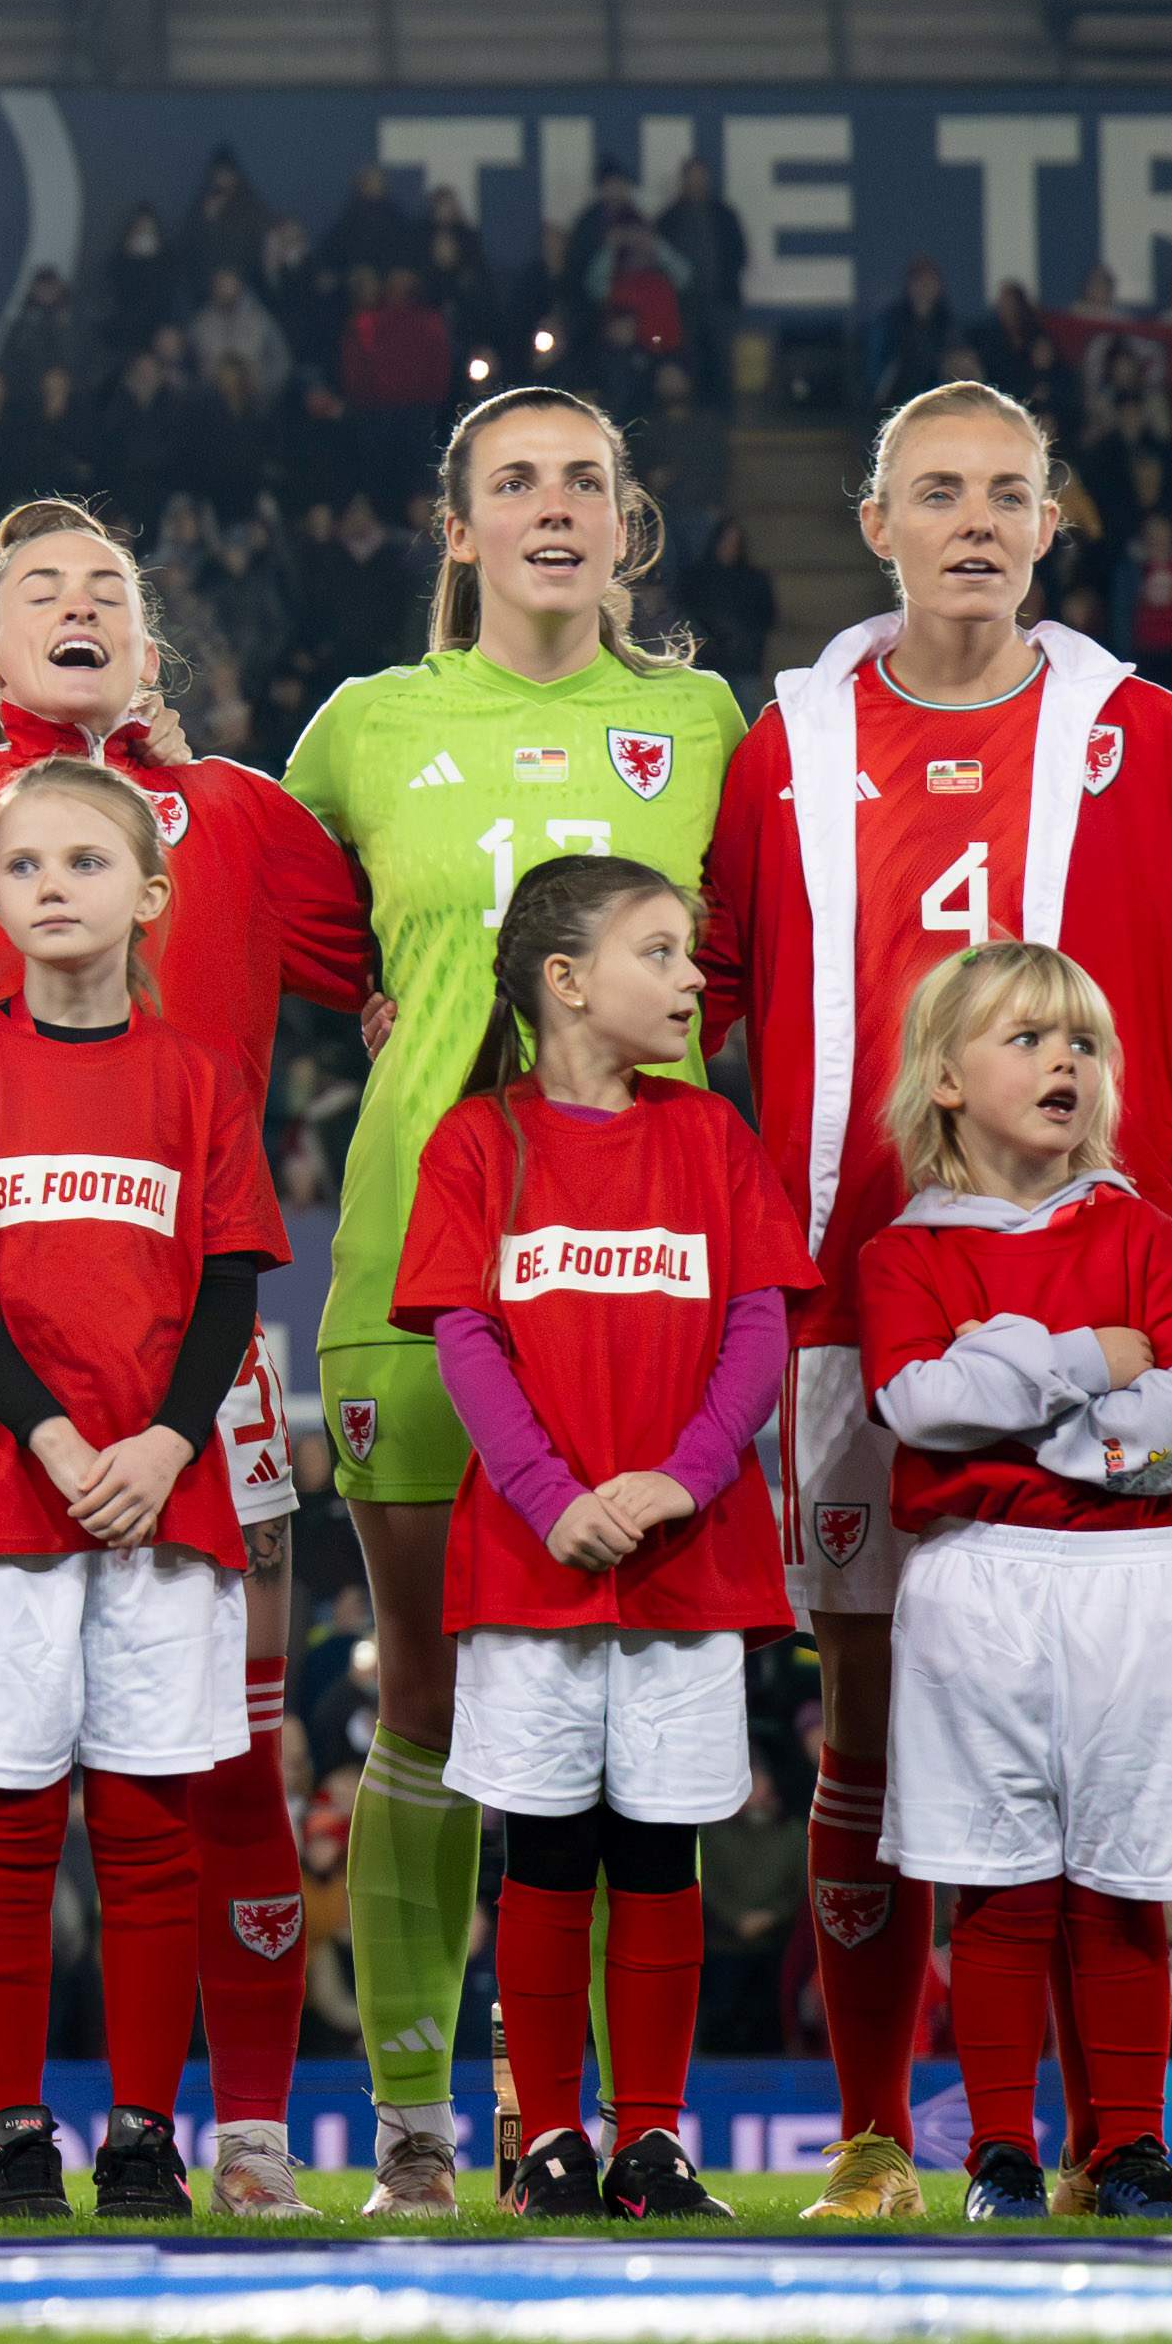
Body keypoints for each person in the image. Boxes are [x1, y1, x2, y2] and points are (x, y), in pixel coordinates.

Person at [698, 380, 1172, 2222]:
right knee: (871, 1724)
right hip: (848, 1306)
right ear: (874, 522)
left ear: (1053, 524)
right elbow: (701, 982)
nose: (974, 519)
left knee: (1086, 1729)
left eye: (1008, 493)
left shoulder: (1158, 741)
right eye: (938, 491)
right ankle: (885, 2128)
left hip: (1104, 1275)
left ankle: (1104, 2132)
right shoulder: (782, 745)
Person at [0, 501, 374, 2214]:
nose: (76, 603)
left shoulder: (248, 817)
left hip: (198, 1383)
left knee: (220, 1763)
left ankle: (236, 2130)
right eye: (35, 586)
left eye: (109, 587)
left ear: (153, 648)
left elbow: (403, 965)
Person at [278, 386, 746, 2214]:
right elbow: (264, 905)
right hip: (420, 1267)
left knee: (637, 1707)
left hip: (643, 1287)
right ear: (455, 528)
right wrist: (393, 1008)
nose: (554, 505)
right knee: (430, 1699)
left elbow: (758, 956)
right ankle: (416, 2130)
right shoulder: (365, 728)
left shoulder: (699, 722)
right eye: (514, 480)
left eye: (587, 480)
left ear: (627, 526)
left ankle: (628, 2132)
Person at [0, 753, 287, 2224]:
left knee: (152, 1821)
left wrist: (168, 1443)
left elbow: (228, 1284)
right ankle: (10, 2133)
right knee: (3, 1818)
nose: (52, 886)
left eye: (84, 863)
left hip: (164, 1493)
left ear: (150, 895)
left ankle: (139, 2133)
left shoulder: (198, 1079)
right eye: (24, 866)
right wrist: (50, 1439)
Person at [389, 856, 809, 2220]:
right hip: (533, 1560)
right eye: (661, 951)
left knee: (657, 1852)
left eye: (690, 953)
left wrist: (681, 1479)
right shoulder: (473, 1144)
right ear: (565, 980)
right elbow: (464, 1337)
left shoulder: (711, 1135)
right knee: (547, 1850)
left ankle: (650, 2139)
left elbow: (758, 1327)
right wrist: (548, 1494)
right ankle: (552, 2140)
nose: (693, 979)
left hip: (682, 1562)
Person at [858, 939, 1172, 2222]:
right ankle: (1000, 2158)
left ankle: (1124, 2149)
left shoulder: (1138, 1226)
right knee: (1001, 1877)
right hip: (977, 1582)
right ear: (945, 1079)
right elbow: (919, 1399)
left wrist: (1036, 1405)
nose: (1060, 1060)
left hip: (1136, 1576)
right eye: (1024, 1038)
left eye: (1078, 1040)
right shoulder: (904, 1251)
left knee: (1122, 1879)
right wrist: (1090, 1354)